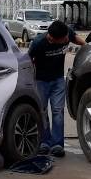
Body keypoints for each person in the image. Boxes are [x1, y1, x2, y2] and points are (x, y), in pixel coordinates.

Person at [27, 19, 85, 157]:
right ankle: (44, 143)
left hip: (58, 79)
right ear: (52, 39)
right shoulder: (38, 43)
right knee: (42, 112)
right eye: (64, 39)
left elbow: (77, 40)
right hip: (41, 81)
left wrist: (87, 46)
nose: (67, 40)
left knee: (58, 112)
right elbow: (28, 61)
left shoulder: (64, 32)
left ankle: (57, 144)